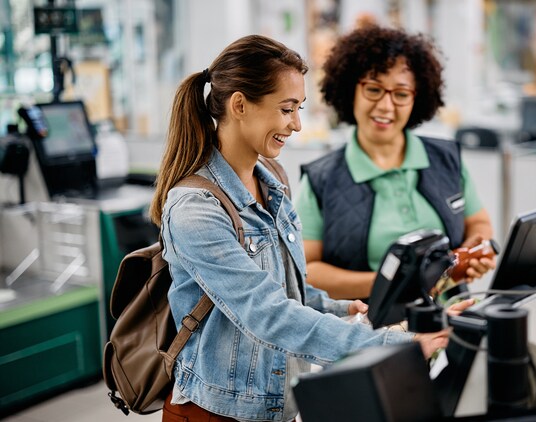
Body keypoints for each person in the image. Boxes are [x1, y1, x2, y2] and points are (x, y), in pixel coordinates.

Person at [150, 34, 460, 422]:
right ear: (240, 105)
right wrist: (392, 343)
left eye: (299, 108)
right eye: (286, 109)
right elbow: (266, 313)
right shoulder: (195, 208)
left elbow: (286, 289)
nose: (296, 124)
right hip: (216, 412)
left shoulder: (273, 181)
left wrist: (340, 307)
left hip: (277, 407)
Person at [296, 25, 496, 300]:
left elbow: (479, 223)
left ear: (418, 97)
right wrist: (392, 282)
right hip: (372, 333)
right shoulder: (321, 180)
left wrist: (474, 251)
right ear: (349, 89)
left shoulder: (446, 159)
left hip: (453, 323)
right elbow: (306, 270)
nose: (386, 107)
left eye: (401, 94)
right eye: (374, 89)